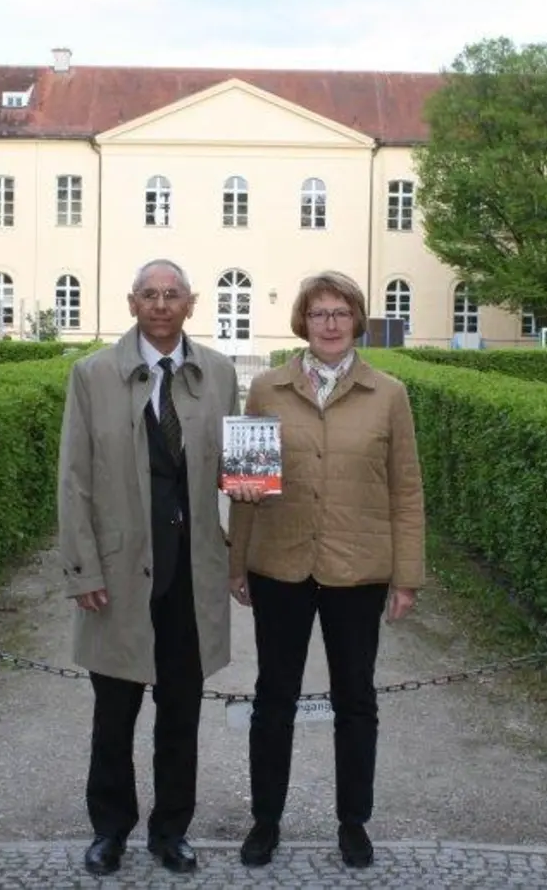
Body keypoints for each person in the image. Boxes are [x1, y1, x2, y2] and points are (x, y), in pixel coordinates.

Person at [223, 270, 426, 869]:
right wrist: (238, 563)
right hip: (280, 564)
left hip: (357, 569)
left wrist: (407, 575)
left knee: (356, 701)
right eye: (319, 314)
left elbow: (406, 490)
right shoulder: (267, 388)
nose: (330, 324)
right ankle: (265, 820)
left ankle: (353, 823)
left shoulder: (388, 394)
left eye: (340, 313)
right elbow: (244, 485)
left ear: (357, 320)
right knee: (273, 698)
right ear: (303, 322)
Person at [56, 258, 239, 876]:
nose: (161, 304)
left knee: (181, 714)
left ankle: (171, 831)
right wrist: (82, 569)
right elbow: (75, 477)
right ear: (131, 303)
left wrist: (248, 486)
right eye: (150, 295)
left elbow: (229, 467)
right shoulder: (92, 374)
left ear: (191, 304)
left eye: (173, 295)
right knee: (114, 714)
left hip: (190, 572)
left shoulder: (218, 373)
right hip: (120, 569)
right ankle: (110, 829)